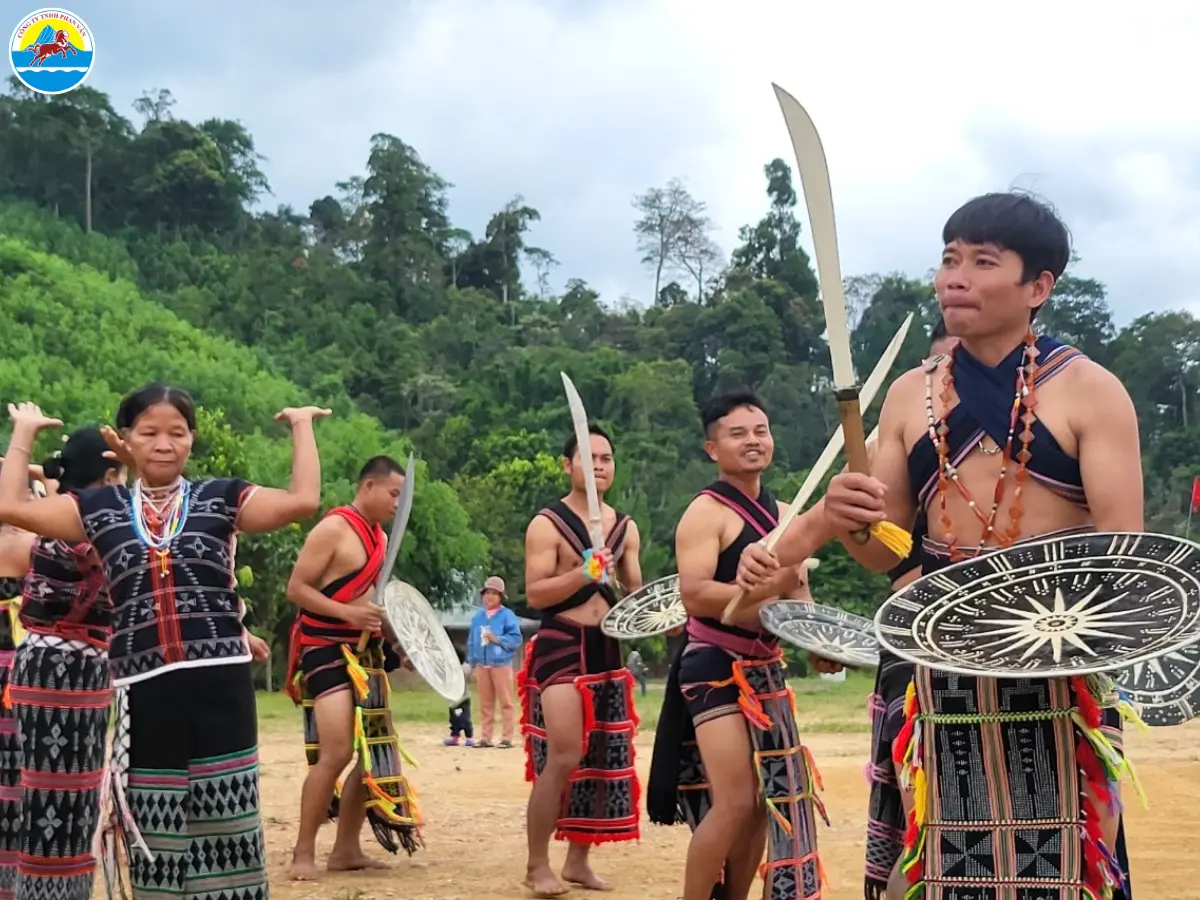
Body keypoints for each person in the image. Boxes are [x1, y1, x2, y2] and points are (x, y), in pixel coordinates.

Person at [745, 193, 1144, 900]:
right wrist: (854, 520)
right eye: (949, 259)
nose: (954, 276)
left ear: (1038, 287)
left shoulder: (1091, 392)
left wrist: (1044, 621)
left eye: (983, 261)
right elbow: (886, 553)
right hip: (934, 660)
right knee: (935, 863)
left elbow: (1123, 558)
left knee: (1059, 864)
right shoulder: (909, 394)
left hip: (1052, 660)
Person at [0, 385, 329, 900]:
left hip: (220, 682)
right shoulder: (98, 507)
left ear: (191, 441)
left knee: (227, 816)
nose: (163, 444)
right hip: (144, 687)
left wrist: (301, 426)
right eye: (149, 432)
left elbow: (302, 501)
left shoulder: (221, 497)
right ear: (127, 441)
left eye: (177, 433)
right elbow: (11, 507)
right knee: (156, 825)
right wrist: (22, 435)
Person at [646, 390, 833, 900]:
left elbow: (799, 592)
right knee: (734, 799)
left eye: (760, 431)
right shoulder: (705, 514)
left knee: (760, 803)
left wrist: (813, 638)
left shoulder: (788, 512)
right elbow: (696, 594)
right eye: (738, 433)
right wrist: (762, 592)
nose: (753, 441)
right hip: (713, 664)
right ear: (713, 449)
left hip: (766, 668)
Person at [283, 455, 422, 880]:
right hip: (324, 649)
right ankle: (303, 852)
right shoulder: (334, 529)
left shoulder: (378, 538)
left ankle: (345, 849)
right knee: (338, 750)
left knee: (372, 754)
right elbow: (297, 589)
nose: (399, 503)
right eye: (394, 493)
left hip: (366, 653)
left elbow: (375, 605)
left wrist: (403, 643)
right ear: (368, 487)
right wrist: (346, 615)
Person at [520, 425, 643, 898]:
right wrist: (583, 572)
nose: (598, 466)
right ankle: (536, 865)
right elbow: (535, 592)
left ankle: (577, 859)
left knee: (596, 757)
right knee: (566, 752)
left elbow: (635, 590)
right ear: (566, 465)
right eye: (588, 458)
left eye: (606, 458)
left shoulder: (624, 526)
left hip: (607, 645)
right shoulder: (546, 523)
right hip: (561, 643)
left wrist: (664, 611)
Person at [0, 429, 122, 900]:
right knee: (61, 806)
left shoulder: (60, 523)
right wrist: (24, 440)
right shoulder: (89, 526)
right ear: (110, 474)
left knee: (56, 803)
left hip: (55, 669)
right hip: (64, 674)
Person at [861, 324, 956, 900]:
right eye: (943, 368)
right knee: (927, 823)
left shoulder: (1049, 407)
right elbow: (882, 548)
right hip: (918, 641)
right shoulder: (897, 432)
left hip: (1027, 646)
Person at [466, 575, 522, 748]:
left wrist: (496, 639)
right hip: (482, 665)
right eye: (487, 593)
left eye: (494, 593)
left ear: (500, 596)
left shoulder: (507, 616)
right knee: (486, 703)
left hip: (501, 664)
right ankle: (485, 737)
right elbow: (472, 642)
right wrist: (473, 664)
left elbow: (516, 639)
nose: (490, 596)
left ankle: (506, 737)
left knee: (506, 702)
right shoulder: (477, 618)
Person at [444, 654, 475, 746]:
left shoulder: (465, 668)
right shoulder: (449, 668)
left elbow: (471, 677)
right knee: (454, 720)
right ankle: (455, 737)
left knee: (465, 719)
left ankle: (469, 737)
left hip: (463, 699)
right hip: (453, 700)